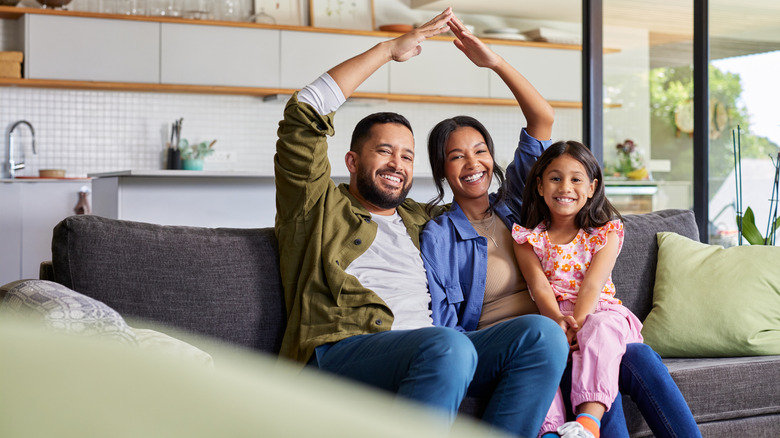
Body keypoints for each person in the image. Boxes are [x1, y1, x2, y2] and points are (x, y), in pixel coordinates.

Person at [274, 8, 568, 437]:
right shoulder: (315, 207)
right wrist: (389, 49)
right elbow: (303, 115)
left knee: (542, 335)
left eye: (407, 156)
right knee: (446, 346)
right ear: (352, 161)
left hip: (437, 350)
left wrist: (494, 64)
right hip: (341, 351)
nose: (397, 164)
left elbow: (539, 131)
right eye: (385, 152)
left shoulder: (426, 221)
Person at [420, 17, 702, 438]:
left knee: (635, 357)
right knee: (584, 354)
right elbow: (444, 322)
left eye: (480, 150)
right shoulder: (439, 234)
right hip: (513, 345)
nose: (472, 162)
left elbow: (542, 118)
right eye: (456, 156)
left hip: (568, 326)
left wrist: (494, 62)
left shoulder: (517, 206)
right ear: (442, 169)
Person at [511, 141, 639, 438]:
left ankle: (588, 423)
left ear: (592, 187)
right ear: (540, 187)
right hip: (553, 317)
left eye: (576, 179)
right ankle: (551, 432)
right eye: (555, 178)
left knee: (600, 328)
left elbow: (593, 286)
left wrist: (578, 325)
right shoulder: (528, 239)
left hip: (598, 312)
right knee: (536, 351)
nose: (565, 187)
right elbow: (540, 287)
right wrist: (558, 323)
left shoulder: (606, 232)